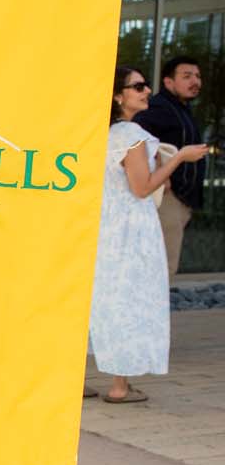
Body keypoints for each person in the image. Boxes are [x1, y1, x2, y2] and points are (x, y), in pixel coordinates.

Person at [89, 66, 208, 403]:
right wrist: (180, 158)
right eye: (137, 86)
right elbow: (142, 188)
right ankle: (118, 386)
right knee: (128, 298)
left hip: (104, 224)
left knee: (97, 299)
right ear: (118, 96)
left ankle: (79, 379)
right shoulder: (130, 135)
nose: (146, 91)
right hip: (130, 228)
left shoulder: (101, 133)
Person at [133, 55, 207, 278]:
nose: (195, 81)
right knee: (162, 269)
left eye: (197, 76)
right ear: (168, 82)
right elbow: (137, 137)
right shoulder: (158, 107)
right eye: (186, 76)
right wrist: (158, 173)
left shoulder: (181, 109)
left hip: (179, 201)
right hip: (166, 199)